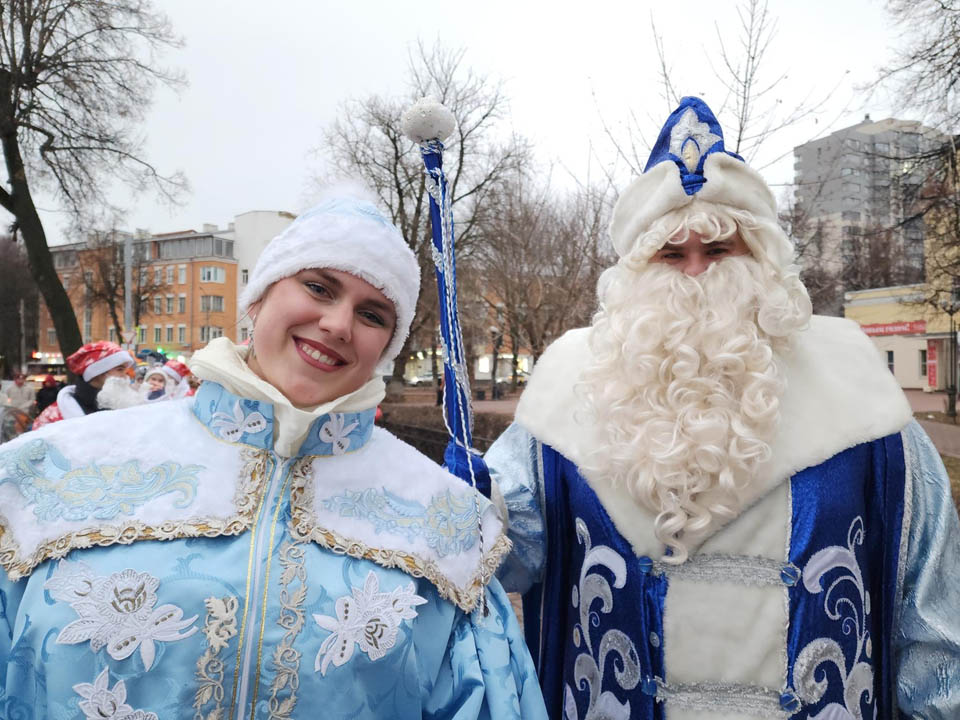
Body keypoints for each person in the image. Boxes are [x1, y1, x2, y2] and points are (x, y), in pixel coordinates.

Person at [486, 97, 960, 718]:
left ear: (761, 260)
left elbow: (932, 609)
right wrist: (465, 509)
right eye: (671, 255)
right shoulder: (571, 385)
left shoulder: (857, 392)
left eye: (718, 251)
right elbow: (505, 561)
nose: (696, 275)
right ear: (636, 270)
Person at [0, 186, 546, 719]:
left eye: (373, 314)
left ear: (387, 344)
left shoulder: (447, 524)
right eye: (318, 287)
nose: (337, 325)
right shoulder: (45, 473)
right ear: (258, 297)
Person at [31, 341, 134, 429]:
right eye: (120, 369)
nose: (126, 376)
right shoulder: (52, 417)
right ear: (97, 372)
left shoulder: (121, 405)